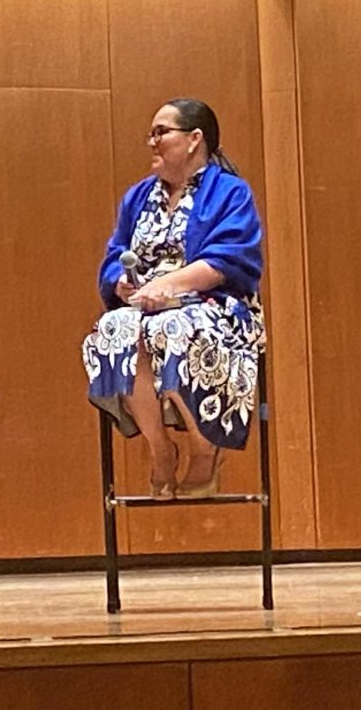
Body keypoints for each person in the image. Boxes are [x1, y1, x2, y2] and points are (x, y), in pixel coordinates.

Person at [83, 98, 264, 499]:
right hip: (146, 307)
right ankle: (160, 448)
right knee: (114, 328)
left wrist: (171, 286)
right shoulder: (137, 197)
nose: (152, 142)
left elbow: (230, 258)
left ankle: (205, 448)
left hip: (214, 308)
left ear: (194, 139)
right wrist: (122, 284)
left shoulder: (230, 192)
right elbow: (115, 255)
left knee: (174, 325)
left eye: (161, 132)